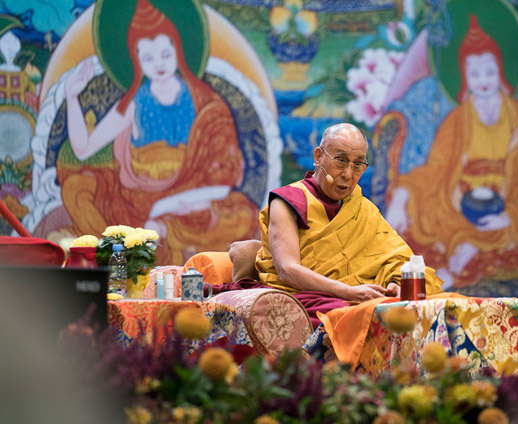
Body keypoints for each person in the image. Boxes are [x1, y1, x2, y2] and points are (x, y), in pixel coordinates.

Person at [385, 15, 518, 299]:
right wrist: (402, 196)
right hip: (460, 204)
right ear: (465, 76)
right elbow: (435, 169)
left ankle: (462, 262)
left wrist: (508, 217)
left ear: (500, 72)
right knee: (425, 226)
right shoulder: (458, 119)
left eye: (489, 72)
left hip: (511, 205)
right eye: (475, 74)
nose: (483, 81)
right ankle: (456, 263)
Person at [59, 0, 258, 265]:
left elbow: (223, 181)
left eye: (165, 54)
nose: (159, 64)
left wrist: (164, 207)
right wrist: (72, 96)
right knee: (75, 189)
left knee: (243, 215)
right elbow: (83, 149)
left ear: (178, 52)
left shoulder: (207, 105)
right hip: (135, 200)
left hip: (189, 201)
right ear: (137, 60)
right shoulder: (134, 103)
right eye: (148, 57)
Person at [227, 123, 443, 328]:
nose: (348, 174)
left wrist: (396, 283)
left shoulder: (362, 209)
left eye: (358, 164)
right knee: (344, 314)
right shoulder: (289, 201)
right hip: (304, 297)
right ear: (318, 157)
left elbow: (396, 259)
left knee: (432, 307)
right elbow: (287, 271)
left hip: (356, 296)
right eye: (340, 160)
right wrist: (349, 292)